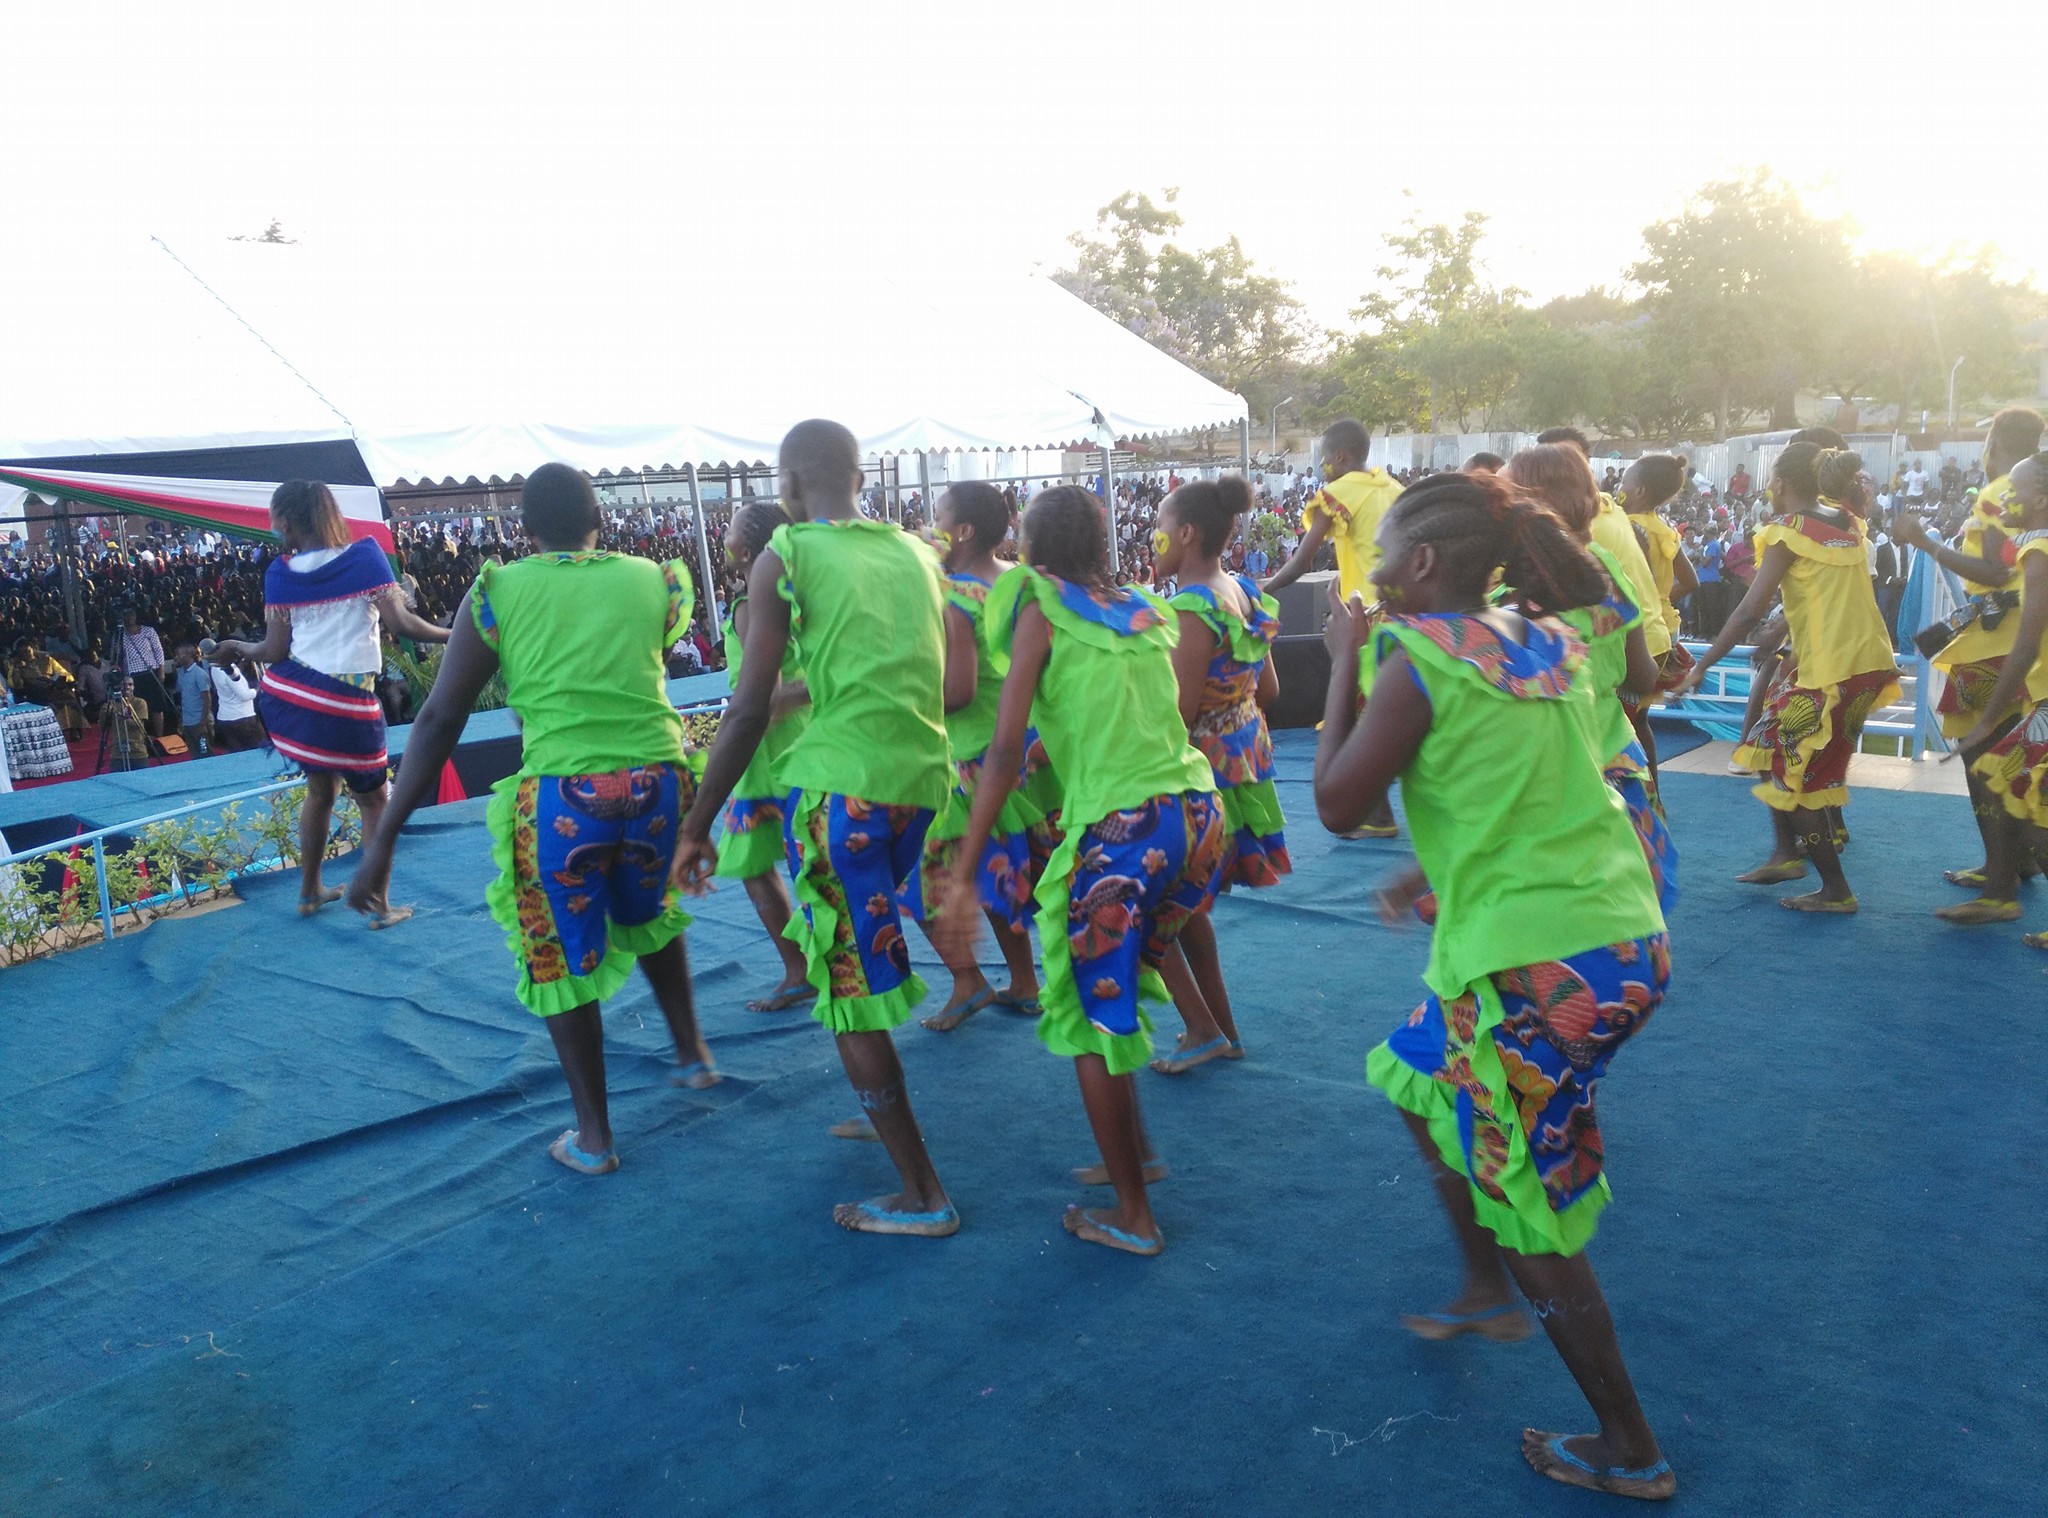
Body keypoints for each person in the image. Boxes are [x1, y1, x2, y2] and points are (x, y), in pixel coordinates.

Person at [1315, 471, 1673, 1501]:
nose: (1373, 570)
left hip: (1531, 965)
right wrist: (1427, 871)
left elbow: (1337, 803)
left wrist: (1340, 663)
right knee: (1417, 1071)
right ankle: (1482, 1286)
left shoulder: (1412, 655)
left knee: (1530, 1202)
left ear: (1421, 564)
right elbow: (1535, 788)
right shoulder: (1547, 641)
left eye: (1383, 551)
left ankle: (1626, 1446)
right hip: (1616, 941)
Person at [346, 463, 717, 1176]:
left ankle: (594, 1137)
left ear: (524, 531)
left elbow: (441, 716)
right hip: (660, 784)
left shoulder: (499, 591)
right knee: (651, 912)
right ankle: (693, 1052)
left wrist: (383, 839)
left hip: (562, 800)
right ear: (599, 521)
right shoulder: (654, 579)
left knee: (553, 957)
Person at [670, 419, 959, 1239]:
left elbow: (750, 705)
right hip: (920, 783)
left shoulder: (786, 555)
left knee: (849, 993)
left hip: (844, 794)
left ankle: (921, 1192)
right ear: (859, 473)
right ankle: (888, 1113)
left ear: (790, 482)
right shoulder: (916, 552)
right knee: (862, 971)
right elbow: (941, 676)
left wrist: (696, 825)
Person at [935, 485, 1225, 1255]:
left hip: (1125, 832)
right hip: (1194, 816)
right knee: (1116, 991)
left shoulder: (1038, 606)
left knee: (1091, 1016)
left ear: (1030, 544)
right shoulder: (1139, 608)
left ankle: (1133, 1216)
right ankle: (1140, 1159)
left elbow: (1000, 750)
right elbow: (1109, 715)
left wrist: (966, 870)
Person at [1677, 446, 1900, 913]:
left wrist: (1702, 665)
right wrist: (1784, 632)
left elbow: (1747, 610)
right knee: (1767, 747)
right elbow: (1826, 595)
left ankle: (1836, 890)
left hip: (1832, 671)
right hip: (1864, 664)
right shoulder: (1848, 522)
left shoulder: (1786, 532)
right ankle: (1786, 855)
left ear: (1780, 483)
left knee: (1794, 778)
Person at [214, 482, 451, 916]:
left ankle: (309, 891)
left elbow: (273, 651)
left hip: (292, 700)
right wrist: (457, 636)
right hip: (347, 704)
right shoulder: (364, 556)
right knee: (375, 800)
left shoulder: (280, 573)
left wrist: (239, 646)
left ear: (286, 521)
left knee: (320, 791)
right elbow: (404, 624)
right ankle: (378, 903)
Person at [901, 482, 1051, 1031]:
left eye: (937, 515)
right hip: (1031, 747)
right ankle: (1025, 982)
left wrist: (903, 697)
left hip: (978, 758)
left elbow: (959, 690)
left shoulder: (956, 597)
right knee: (1008, 869)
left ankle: (970, 980)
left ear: (962, 530)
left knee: (922, 877)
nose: (928, 523)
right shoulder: (1017, 579)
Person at [1146, 475, 1280, 1073]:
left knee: (1158, 903)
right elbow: (1271, 688)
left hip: (1201, 769)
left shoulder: (1191, 608)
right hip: (1245, 753)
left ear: (1186, 534)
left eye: (1159, 528)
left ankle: (1204, 1026)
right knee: (1191, 906)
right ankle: (1219, 1027)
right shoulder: (1245, 591)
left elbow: (1178, 710)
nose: (1153, 538)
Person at [1505, 447, 1675, 910]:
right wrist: (1602, 686)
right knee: (1625, 900)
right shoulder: (1604, 565)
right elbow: (1642, 676)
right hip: (1618, 759)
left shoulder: (1510, 595)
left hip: (1553, 778)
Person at [1892, 408, 2047, 905]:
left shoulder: (1999, 492)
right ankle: (2011, 864)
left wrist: (1926, 543)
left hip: (1996, 642)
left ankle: (2000, 878)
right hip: (2006, 636)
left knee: (1984, 763)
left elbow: (1996, 571)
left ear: (1994, 440)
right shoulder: (2018, 487)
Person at [1264, 418, 1404, 837]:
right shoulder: (1392, 488)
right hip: (1407, 614)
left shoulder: (1337, 493)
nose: (1323, 465)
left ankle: (1378, 816)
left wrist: (1262, 589)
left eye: (1325, 457)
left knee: (1357, 713)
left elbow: (1304, 561)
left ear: (1340, 456)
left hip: (1368, 619)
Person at [708, 501, 817, 1013]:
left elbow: (766, 695)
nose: (722, 536)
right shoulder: (798, 596)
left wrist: (735, 725)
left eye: (728, 531)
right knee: (800, 859)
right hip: (800, 740)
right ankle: (811, 967)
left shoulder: (752, 604)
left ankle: (803, 970)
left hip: (768, 749)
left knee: (765, 863)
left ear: (746, 549)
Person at [1955, 453, 2048, 940]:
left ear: (2041, 498)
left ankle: (2002, 894)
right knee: (2018, 786)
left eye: (2016, 489)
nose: (2001, 498)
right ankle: (2003, 891)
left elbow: (2027, 642)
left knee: (2009, 780)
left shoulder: (2039, 551)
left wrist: (1989, 719)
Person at [1617, 455, 1698, 793]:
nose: (1616, 489)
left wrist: (1648, 600)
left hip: (1642, 634)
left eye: (1622, 482)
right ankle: (1654, 791)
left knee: (1622, 720)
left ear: (1638, 490)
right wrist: (1662, 599)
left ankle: (1640, 798)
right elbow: (1690, 581)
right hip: (1666, 629)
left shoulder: (1626, 528)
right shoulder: (1663, 529)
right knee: (1641, 719)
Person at [118, 607, 174, 737]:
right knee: (136, 707)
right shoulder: (121, 635)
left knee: (156, 706)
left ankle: (160, 736)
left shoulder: (148, 631)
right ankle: (142, 737)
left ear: (136, 616)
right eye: (125, 615)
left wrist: (161, 670)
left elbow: (158, 651)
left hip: (150, 672)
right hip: (132, 675)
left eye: (131, 615)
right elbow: (118, 655)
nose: (129, 618)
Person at [207, 654, 267, 751]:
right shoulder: (229, 671)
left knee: (236, 752)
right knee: (259, 751)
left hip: (225, 718)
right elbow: (245, 695)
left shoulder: (214, 668)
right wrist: (258, 689)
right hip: (243, 718)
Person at [171, 640, 213, 757]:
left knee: (206, 752)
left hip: (199, 721)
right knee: (194, 754)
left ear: (187, 656)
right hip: (187, 721)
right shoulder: (181, 673)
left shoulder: (199, 674)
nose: (176, 658)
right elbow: (182, 695)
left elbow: (207, 699)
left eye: (178, 655)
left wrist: (203, 722)